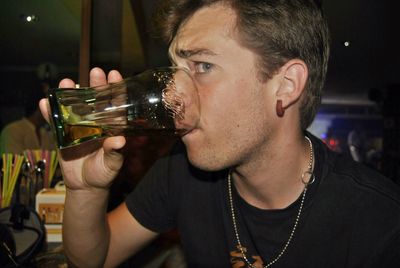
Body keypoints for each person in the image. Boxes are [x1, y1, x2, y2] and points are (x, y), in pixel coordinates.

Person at [39, 0, 400, 267]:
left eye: (203, 66)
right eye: (175, 70)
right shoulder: (181, 171)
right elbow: (93, 260)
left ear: (286, 85)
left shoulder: (380, 221)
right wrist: (86, 190)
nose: (170, 96)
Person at [0, 87, 55, 155]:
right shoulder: (12, 130)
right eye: (48, 110)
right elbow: (14, 161)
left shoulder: (47, 134)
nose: (51, 114)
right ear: (39, 109)